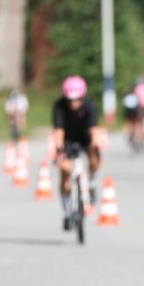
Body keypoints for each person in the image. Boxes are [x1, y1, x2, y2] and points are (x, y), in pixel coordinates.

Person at [52, 75, 105, 229]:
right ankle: (67, 211)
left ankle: (92, 182)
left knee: (95, 158)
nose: (73, 103)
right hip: (67, 139)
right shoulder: (59, 106)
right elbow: (58, 133)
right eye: (70, 100)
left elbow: (94, 131)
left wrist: (94, 147)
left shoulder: (90, 105)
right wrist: (60, 151)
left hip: (85, 137)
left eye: (77, 100)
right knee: (65, 170)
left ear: (83, 97)